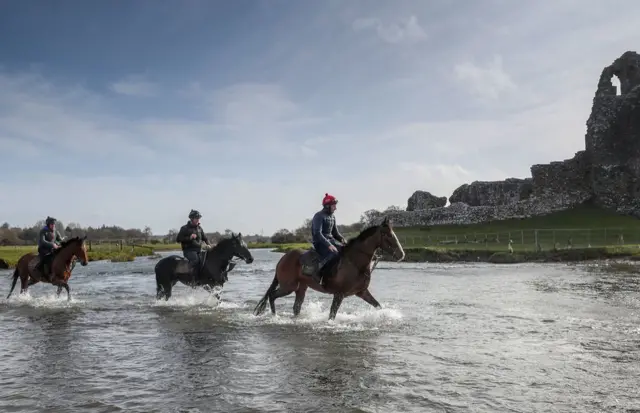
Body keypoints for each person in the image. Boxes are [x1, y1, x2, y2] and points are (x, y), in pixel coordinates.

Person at [310, 193, 347, 283]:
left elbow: (335, 233)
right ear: (327, 206)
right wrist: (329, 245)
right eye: (334, 206)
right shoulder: (318, 216)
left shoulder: (332, 217)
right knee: (334, 253)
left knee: (346, 250)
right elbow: (317, 233)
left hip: (331, 241)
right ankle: (318, 271)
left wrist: (343, 240)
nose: (335, 208)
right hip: (320, 242)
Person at [176, 209, 212, 284]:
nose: (198, 220)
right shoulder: (184, 228)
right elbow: (178, 239)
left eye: (198, 218)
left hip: (198, 250)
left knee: (206, 260)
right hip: (188, 250)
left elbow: (205, 238)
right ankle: (192, 277)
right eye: (196, 218)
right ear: (192, 218)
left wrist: (209, 245)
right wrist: (189, 237)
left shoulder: (199, 228)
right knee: (195, 260)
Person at [36, 216, 63, 281]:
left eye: (54, 224)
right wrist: (53, 244)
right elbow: (43, 241)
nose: (53, 225)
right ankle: (41, 271)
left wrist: (60, 243)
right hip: (43, 248)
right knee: (49, 258)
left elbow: (60, 240)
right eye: (52, 224)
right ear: (48, 224)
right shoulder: (43, 231)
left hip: (52, 249)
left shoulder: (56, 231)